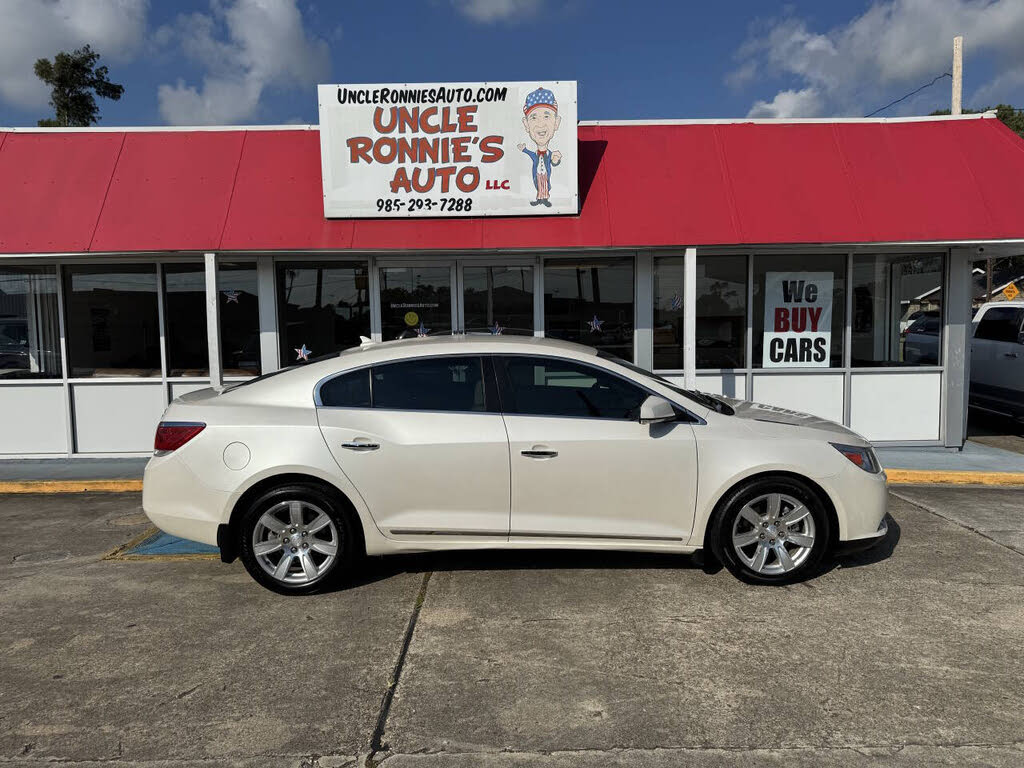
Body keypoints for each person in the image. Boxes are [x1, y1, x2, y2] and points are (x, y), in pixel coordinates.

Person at [517, 87, 562, 207]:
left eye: (546, 116)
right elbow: (531, 154)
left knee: (545, 186)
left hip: (545, 175)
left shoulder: (550, 153)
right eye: (534, 117)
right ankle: (539, 199)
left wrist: (556, 160)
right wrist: (524, 149)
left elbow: (554, 161)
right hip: (538, 174)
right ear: (526, 124)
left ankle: (545, 200)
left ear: (556, 122)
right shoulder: (536, 154)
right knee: (539, 185)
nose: (540, 124)